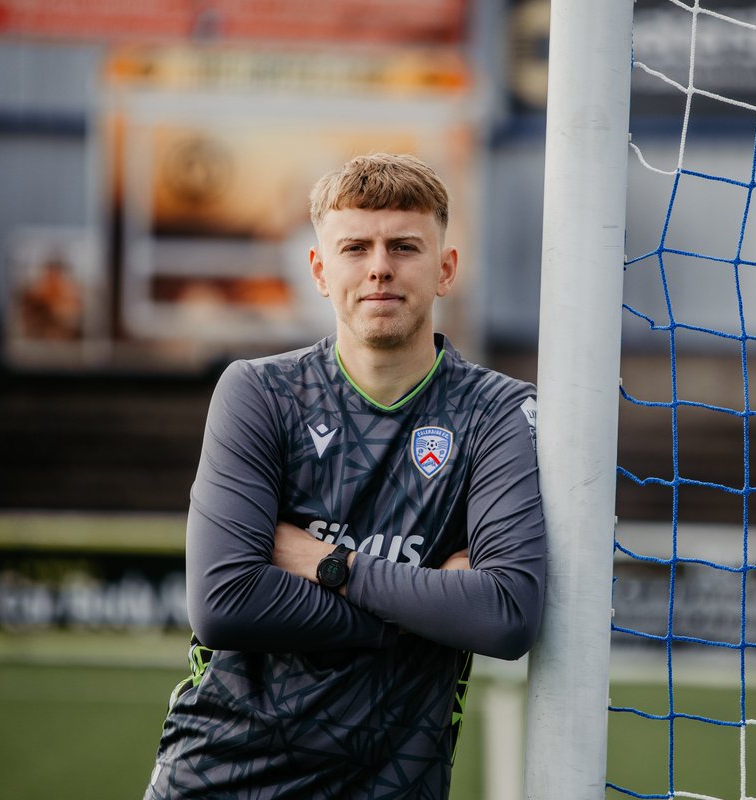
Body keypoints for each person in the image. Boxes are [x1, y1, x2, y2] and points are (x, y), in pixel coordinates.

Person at [144, 153, 547, 799]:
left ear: (445, 270)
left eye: (405, 246)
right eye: (355, 246)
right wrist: (428, 607)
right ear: (320, 271)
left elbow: (504, 616)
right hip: (220, 779)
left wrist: (326, 563)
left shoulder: (499, 413)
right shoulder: (259, 393)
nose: (380, 266)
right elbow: (225, 603)